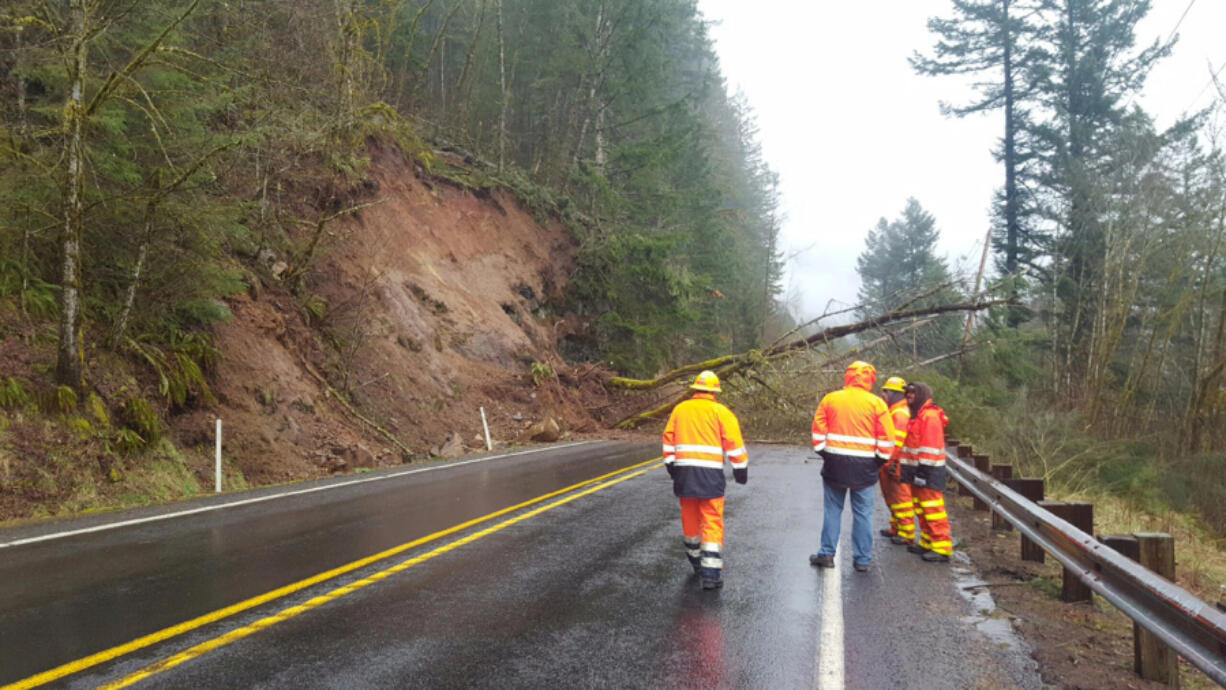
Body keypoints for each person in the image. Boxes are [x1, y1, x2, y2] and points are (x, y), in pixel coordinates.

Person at [662, 370, 749, 590]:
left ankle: (696, 563)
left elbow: (668, 439)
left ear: (696, 389)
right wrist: (740, 469)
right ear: (714, 392)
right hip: (710, 475)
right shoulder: (721, 412)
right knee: (711, 519)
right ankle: (711, 574)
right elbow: (734, 442)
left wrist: (671, 465)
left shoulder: (680, 410)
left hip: (684, 473)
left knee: (690, 518)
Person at [809, 361, 895, 572]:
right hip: (865, 467)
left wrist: (825, 454)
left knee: (832, 510)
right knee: (863, 513)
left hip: (835, 464)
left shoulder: (831, 399)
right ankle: (862, 560)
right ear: (870, 379)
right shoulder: (877, 404)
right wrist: (879, 461)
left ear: (847, 376)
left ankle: (827, 554)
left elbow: (818, 433)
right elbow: (887, 439)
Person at [899, 382, 953, 563]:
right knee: (921, 508)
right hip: (917, 471)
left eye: (912, 394)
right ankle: (928, 541)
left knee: (933, 509)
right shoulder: (917, 415)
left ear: (921, 394)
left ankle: (941, 547)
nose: (908, 397)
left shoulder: (929, 416)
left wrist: (923, 472)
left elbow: (930, 447)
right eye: (907, 394)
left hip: (927, 471)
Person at [877, 376, 915, 546]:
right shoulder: (894, 411)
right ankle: (896, 527)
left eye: (887, 391)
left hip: (896, 463)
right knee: (892, 496)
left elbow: (896, 443)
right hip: (893, 462)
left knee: (901, 498)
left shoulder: (899, 414)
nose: (884, 395)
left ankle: (906, 533)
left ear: (895, 393)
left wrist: (888, 462)